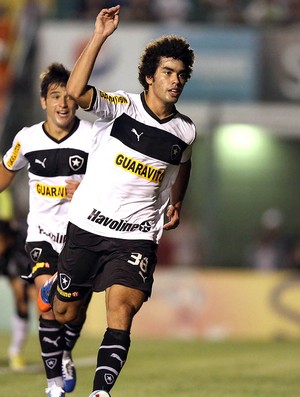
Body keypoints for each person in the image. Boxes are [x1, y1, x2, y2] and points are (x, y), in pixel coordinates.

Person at [39, 5, 196, 397]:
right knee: (65, 311)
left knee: (121, 311)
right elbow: (75, 92)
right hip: (88, 226)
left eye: (180, 75)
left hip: (137, 235)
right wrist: (99, 37)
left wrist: (176, 201)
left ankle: (100, 392)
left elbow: (184, 165)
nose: (175, 81)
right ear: (148, 77)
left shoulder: (186, 131)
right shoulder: (120, 107)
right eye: (167, 72)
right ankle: (60, 284)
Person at [0, 63, 94, 397]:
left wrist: (85, 191)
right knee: (49, 305)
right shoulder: (26, 139)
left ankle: (65, 351)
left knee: (74, 311)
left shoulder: (93, 138)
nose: (63, 103)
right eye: (56, 96)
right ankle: (53, 385)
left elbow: (110, 183)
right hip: (40, 236)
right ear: (44, 101)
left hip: (82, 237)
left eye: (69, 96)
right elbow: (4, 174)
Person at [0, 218, 35, 370]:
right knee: (21, 301)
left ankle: (58, 351)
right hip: (18, 272)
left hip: (38, 269)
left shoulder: (24, 239)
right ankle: (15, 351)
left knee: (45, 307)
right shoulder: (4, 256)